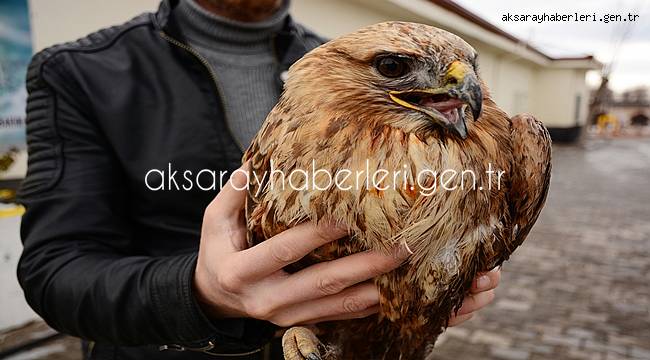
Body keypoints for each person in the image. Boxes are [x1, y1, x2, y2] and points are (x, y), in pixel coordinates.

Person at [17, 0, 501, 359]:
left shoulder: (349, 59)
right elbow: (54, 273)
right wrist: (201, 293)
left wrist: (441, 261)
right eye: (396, 69)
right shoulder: (78, 71)